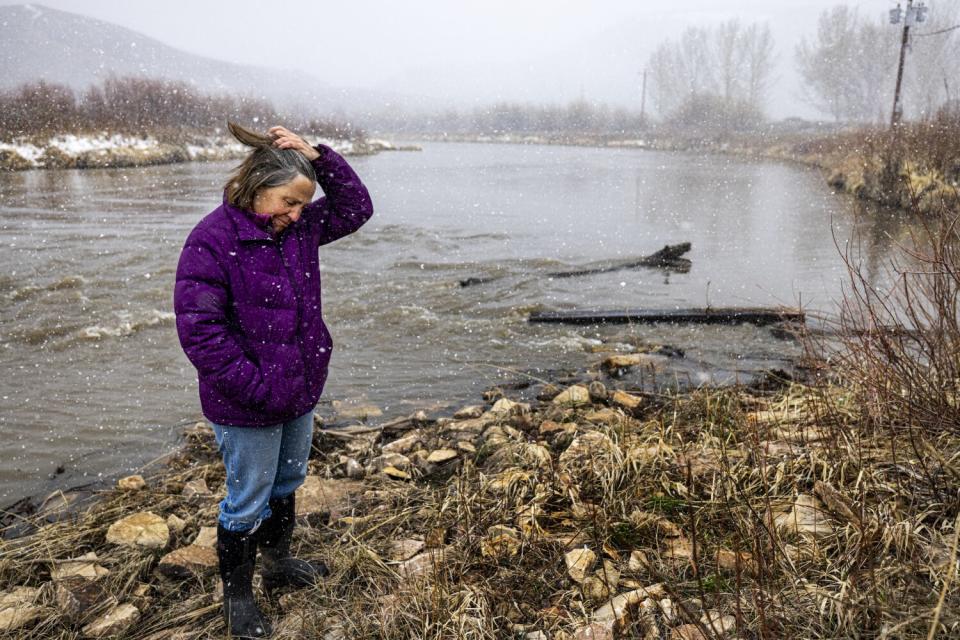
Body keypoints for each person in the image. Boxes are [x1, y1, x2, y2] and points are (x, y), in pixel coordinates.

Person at [173, 121, 373, 638]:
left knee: (287, 482)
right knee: (247, 498)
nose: (296, 213)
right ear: (257, 186)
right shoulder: (211, 241)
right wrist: (257, 390)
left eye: (303, 204)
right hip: (247, 403)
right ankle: (238, 600)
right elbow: (200, 333)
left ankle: (279, 565)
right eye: (288, 201)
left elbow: (356, 209)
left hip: (299, 389)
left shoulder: (299, 229)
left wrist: (319, 157)